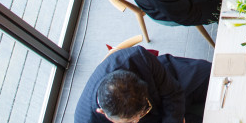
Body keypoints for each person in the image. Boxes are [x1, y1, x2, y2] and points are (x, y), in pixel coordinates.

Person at [74, 45, 211, 123]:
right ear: (103, 112)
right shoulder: (86, 120)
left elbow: (172, 91)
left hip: (170, 81)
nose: (137, 121)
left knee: (214, 77)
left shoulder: (137, 57)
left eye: (140, 114)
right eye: (130, 122)